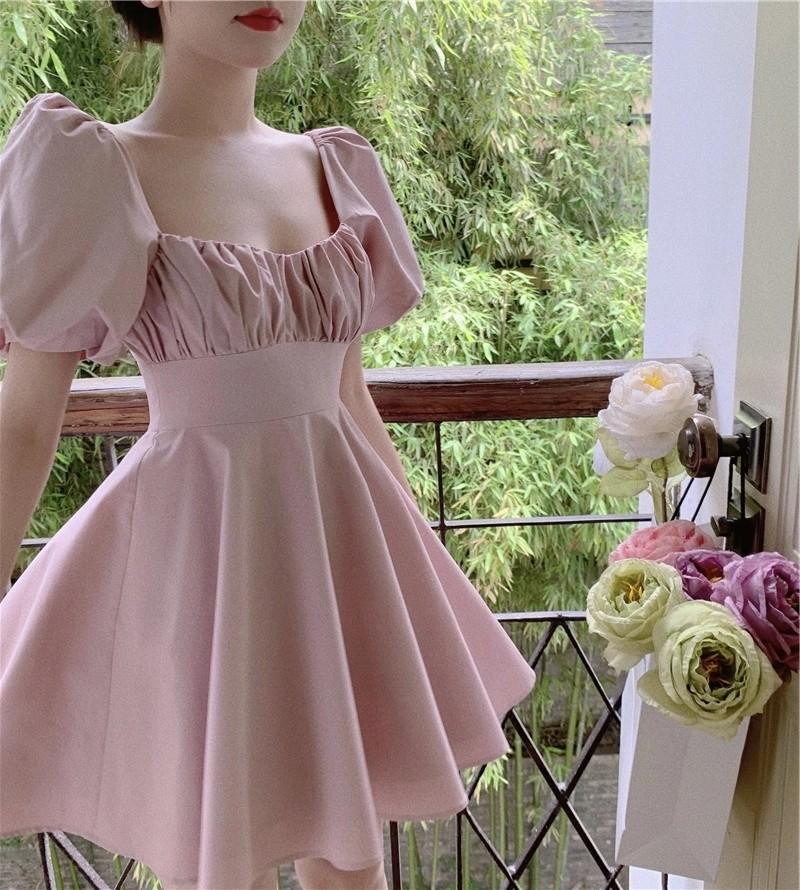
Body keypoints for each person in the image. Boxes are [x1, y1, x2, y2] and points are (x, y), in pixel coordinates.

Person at [0, 2, 537, 888]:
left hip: (338, 549)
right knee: (224, 850)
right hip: (198, 562)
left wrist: (419, 576)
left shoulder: (335, 168)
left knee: (352, 856)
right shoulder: (91, 167)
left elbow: (348, 398)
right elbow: (24, 424)